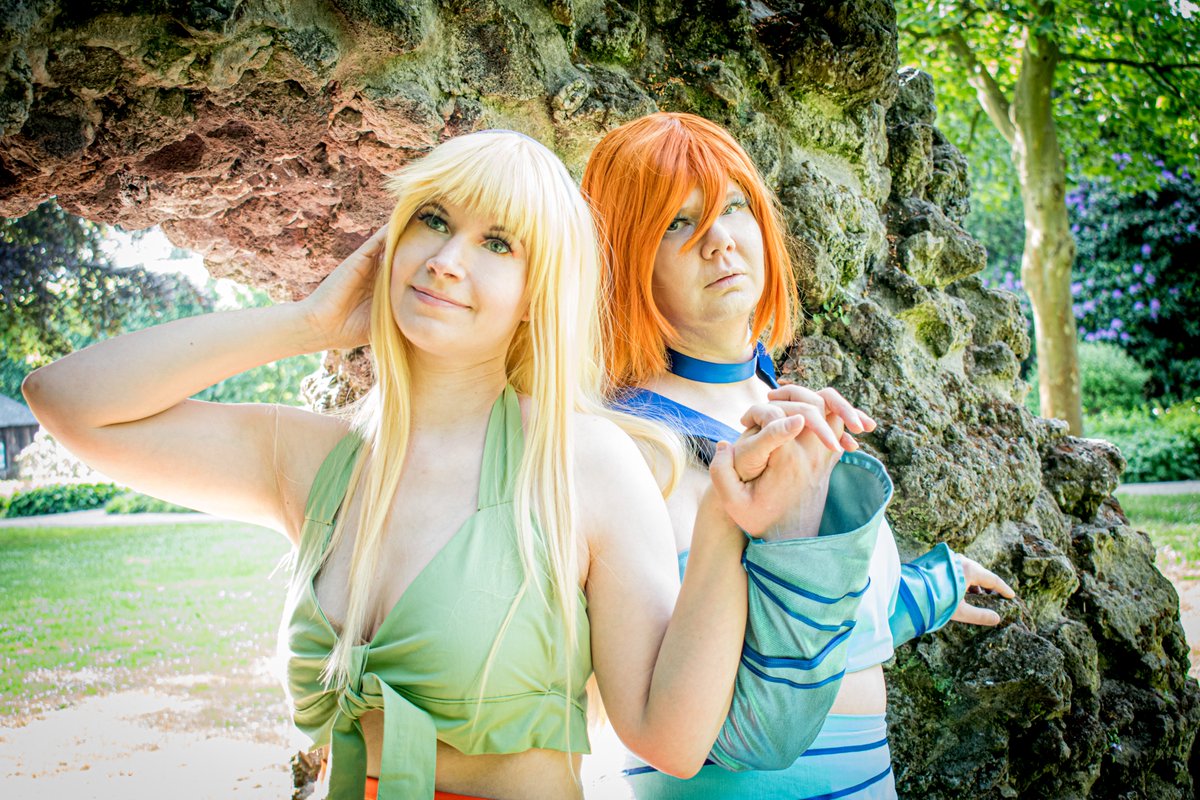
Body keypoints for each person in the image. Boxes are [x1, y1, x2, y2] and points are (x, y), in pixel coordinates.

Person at [21, 130, 812, 800]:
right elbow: (66, 400)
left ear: (538, 294)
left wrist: (725, 526)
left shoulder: (582, 461)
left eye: (498, 243)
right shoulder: (315, 460)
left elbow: (669, 737)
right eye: (433, 220)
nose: (446, 259)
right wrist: (309, 322)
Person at [582, 112, 1016, 799]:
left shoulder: (780, 402)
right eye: (675, 223)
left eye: (733, 206)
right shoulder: (626, 440)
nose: (719, 240)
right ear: (622, 257)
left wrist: (919, 592)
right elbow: (698, 701)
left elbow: (812, 634)